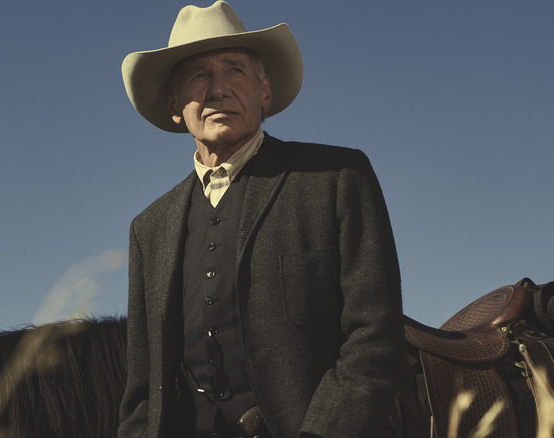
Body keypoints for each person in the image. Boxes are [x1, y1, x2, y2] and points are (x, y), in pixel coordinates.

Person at [117, 2, 404, 437]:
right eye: (199, 76)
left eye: (234, 70)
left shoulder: (336, 178)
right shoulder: (149, 229)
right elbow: (143, 392)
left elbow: (374, 339)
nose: (218, 90)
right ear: (176, 104)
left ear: (264, 90)